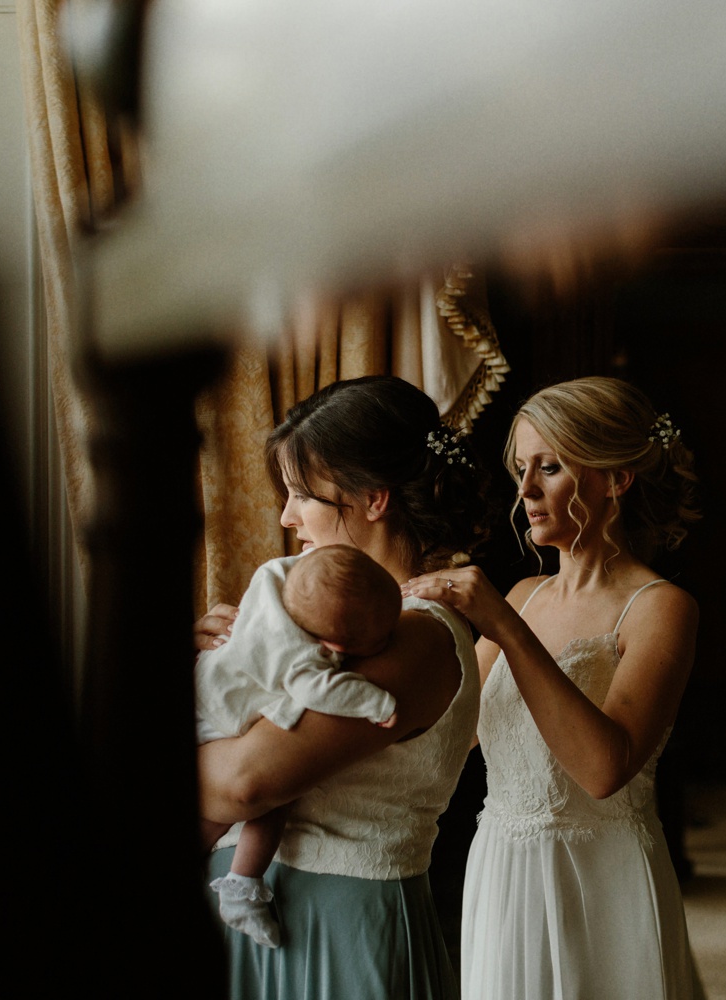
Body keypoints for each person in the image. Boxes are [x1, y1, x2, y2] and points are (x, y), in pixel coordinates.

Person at [402, 375, 705, 1000]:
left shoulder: (660, 608)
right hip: (503, 869)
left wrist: (506, 629)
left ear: (615, 479)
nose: (526, 491)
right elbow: (447, 734)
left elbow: (603, 769)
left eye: (550, 467)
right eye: (521, 469)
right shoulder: (523, 596)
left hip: (601, 878)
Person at [193, 374, 491, 999]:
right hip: (245, 912)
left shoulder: (420, 635)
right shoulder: (305, 611)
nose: (286, 516)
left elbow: (245, 783)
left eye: (302, 494)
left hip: (341, 925)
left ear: (373, 499)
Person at [196, 543, 405, 948]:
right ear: (337, 647)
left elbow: (319, 574)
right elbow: (320, 690)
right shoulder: (300, 660)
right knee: (275, 796)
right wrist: (377, 702)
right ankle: (241, 886)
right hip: (215, 721)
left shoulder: (273, 576)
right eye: (380, 639)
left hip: (203, 688)